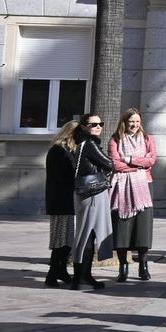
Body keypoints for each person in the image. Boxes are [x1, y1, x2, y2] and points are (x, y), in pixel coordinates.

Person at [107, 108, 157, 283]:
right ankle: (123, 267)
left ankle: (143, 266)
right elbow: (114, 164)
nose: (134, 125)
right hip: (121, 186)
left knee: (143, 227)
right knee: (122, 226)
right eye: (131, 121)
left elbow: (151, 160)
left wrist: (127, 159)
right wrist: (138, 166)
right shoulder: (115, 139)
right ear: (124, 122)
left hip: (144, 186)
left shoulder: (148, 139)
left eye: (137, 121)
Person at [70, 112, 114, 292]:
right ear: (83, 127)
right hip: (92, 194)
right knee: (87, 234)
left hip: (88, 193)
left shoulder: (83, 144)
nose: (98, 127)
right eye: (93, 124)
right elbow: (109, 163)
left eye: (100, 124)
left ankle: (84, 275)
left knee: (88, 233)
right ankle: (80, 277)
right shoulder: (89, 144)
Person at [43, 119, 81, 287]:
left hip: (69, 200)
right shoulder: (58, 150)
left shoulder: (71, 150)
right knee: (59, 240)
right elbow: (61, 177)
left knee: (68, 240)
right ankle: (52, 273)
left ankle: (62, 270)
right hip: (60, 201)